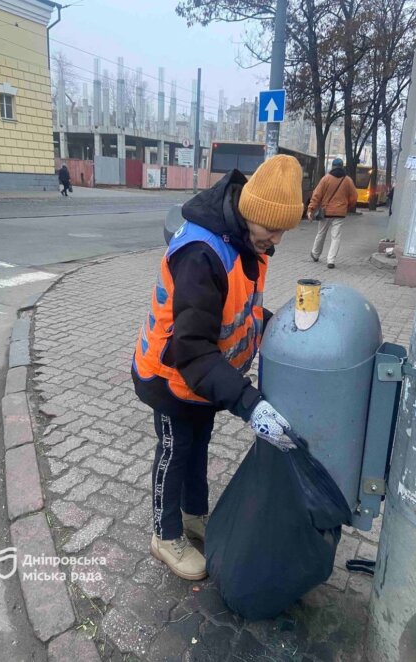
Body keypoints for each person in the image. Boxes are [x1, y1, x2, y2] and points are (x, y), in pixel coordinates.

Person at [131, 155, 303, 581]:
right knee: (175, 452)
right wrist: (250, 403)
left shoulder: (249, 240)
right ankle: (164, 534)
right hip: (170, 376)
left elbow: (239, 310)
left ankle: (193, 517)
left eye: (284, 230)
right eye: (272, 228)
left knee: (198, 446)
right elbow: (192, 350)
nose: (276, 239)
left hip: (205, 380)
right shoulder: (201, 254)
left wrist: (276, 324)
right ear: (251, 213)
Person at [307, 158, 358, 269]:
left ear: (332, 166)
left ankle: (315, 254)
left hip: (326, 212)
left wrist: (311, 209)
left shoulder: (326, 179)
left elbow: (317, 195)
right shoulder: (348, 180)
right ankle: (331, 260)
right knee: (336, 237)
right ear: (342, 166)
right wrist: (346, 206)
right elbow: (354, 197)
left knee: (321, 233)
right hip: (340, 213)